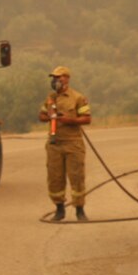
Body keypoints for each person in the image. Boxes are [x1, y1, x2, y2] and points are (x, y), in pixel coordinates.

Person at [38, 65, 92, 221]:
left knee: (76, 177)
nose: (56, 80)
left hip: (73, 143)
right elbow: (41, 116)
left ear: (67, 78)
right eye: (54, 78)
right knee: (55, 177)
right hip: (55, 143)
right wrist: (50, 116)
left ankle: (79, 210)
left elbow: (87, 118)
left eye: (59, 77)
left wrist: (70, 120)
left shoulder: (78, 97)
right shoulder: (50, 98)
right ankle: (59, 209)